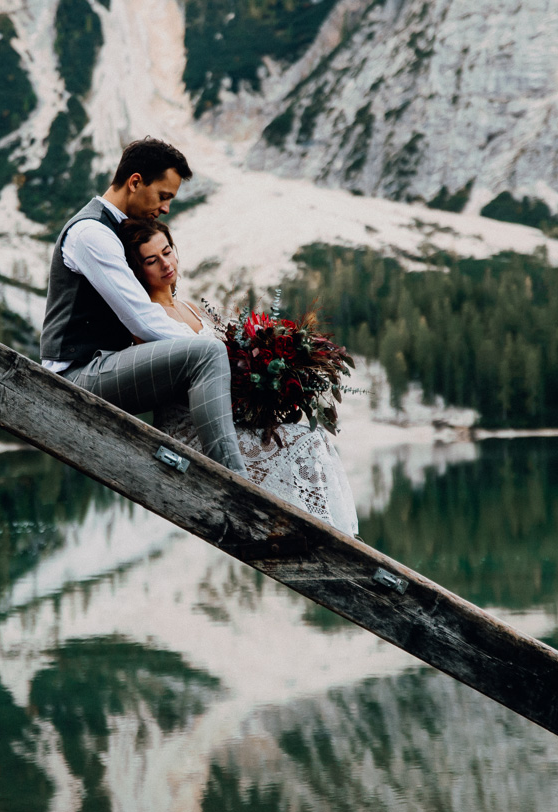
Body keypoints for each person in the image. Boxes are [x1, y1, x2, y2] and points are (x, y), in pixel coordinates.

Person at [118, 217, 359, 535]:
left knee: (315, 438)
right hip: (190, 428)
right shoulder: (145, 319)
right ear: (138, 270)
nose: (165, 263)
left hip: (226, 416)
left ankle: (329, 531)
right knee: (305, 443)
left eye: (167, 251)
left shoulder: (191, 308)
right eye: (152, 260)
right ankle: (315, 531)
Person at [40, 138, 247, 476]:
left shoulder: (117, 229)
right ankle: (233, 480)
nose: (166, 208)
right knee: (207, 355)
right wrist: (216, 349)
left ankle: (226, 464)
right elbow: (142, 320)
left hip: (102, 366)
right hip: (74, 376)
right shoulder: (91, 232)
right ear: (135, 182)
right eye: (164, 196)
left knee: (203, 359)